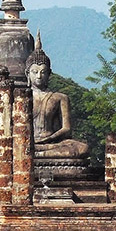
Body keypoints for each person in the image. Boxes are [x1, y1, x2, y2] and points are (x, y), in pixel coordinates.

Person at [24, 31, 88, 160]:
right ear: (27, 74)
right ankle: (32, 152)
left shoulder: (60, 98)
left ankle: (36, 154)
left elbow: (66, 129)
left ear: (49, 74)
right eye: (34, 72)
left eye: (43, 72)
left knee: (82, 148)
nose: (39, 76)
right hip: (28, 143)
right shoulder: (22, 98)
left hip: (51, 144)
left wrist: (48, 139)